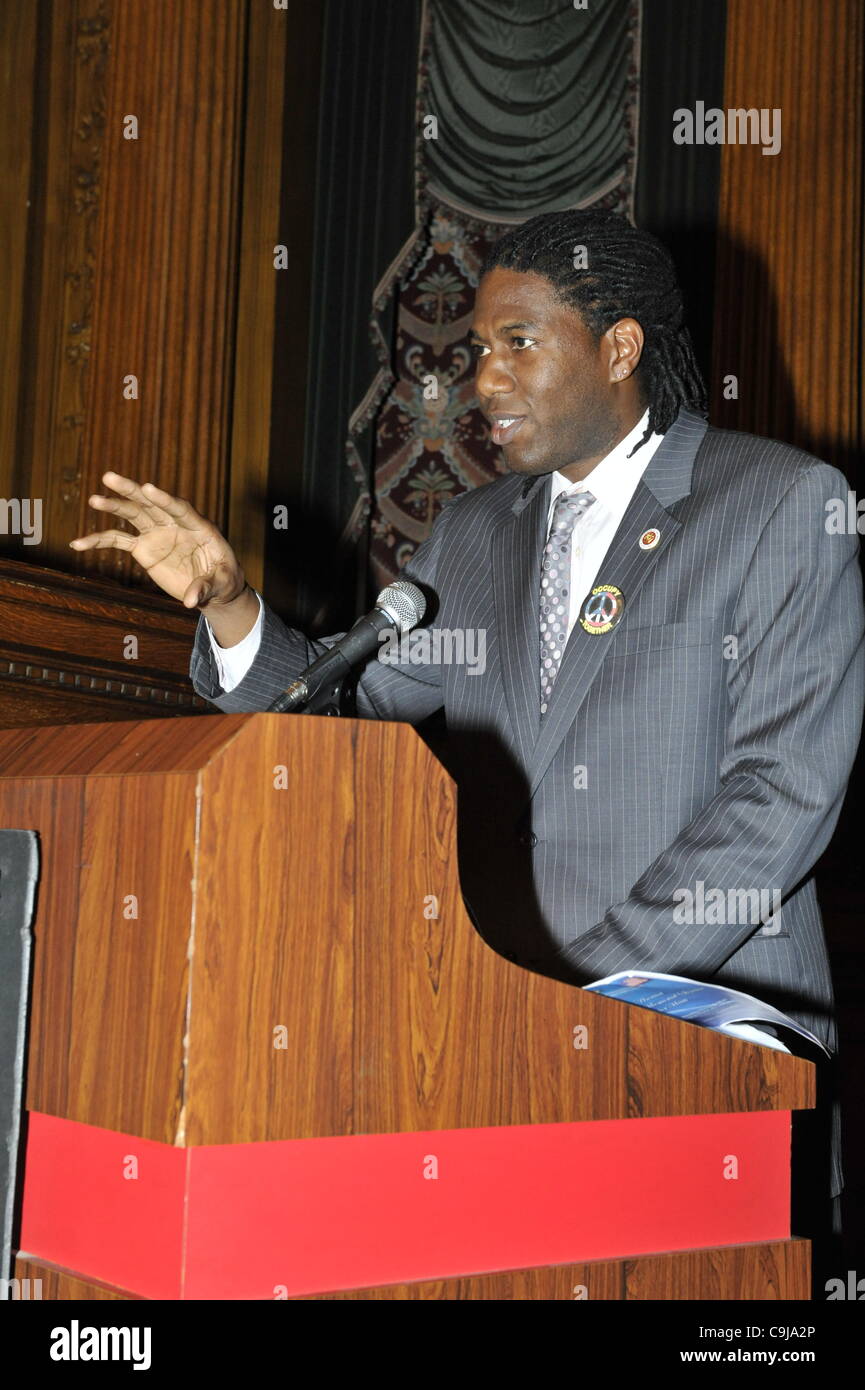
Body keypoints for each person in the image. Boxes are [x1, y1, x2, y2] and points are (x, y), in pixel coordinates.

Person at [71, 210, 864, 1273]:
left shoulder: (778, 503)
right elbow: (347, 721)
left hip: (706, 1037)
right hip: (509, 1053)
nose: (480, 381)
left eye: (518, 344)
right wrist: (227, 606)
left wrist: (580, 984)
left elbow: (782, 793)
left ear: (619, 348)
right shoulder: (474, 534)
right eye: (477, 350)